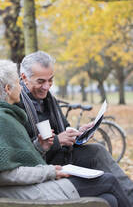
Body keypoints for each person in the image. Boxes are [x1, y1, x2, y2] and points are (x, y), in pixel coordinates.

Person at [0, 57, 131, 207]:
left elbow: (21, 154)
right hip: (29, 188)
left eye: (50, 80)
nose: (20, 87)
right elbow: (1, 175)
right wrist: (51, 170)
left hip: (36, 178)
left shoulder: (4, 114)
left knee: (109, 198)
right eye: (18, 82)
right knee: (108, 182)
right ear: (8, 89)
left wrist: (42, 145)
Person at [18, 50, 133, 205]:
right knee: (108, 196)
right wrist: (58, 140)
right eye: (40, 81)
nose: (46, 87)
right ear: (24, 77)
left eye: (50, 80)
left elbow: (64, 128)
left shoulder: (48, 99)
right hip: (45, 166)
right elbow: (24, 153)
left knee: (97, 151)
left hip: (60, 156)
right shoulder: (18, 104)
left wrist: (78, 132)